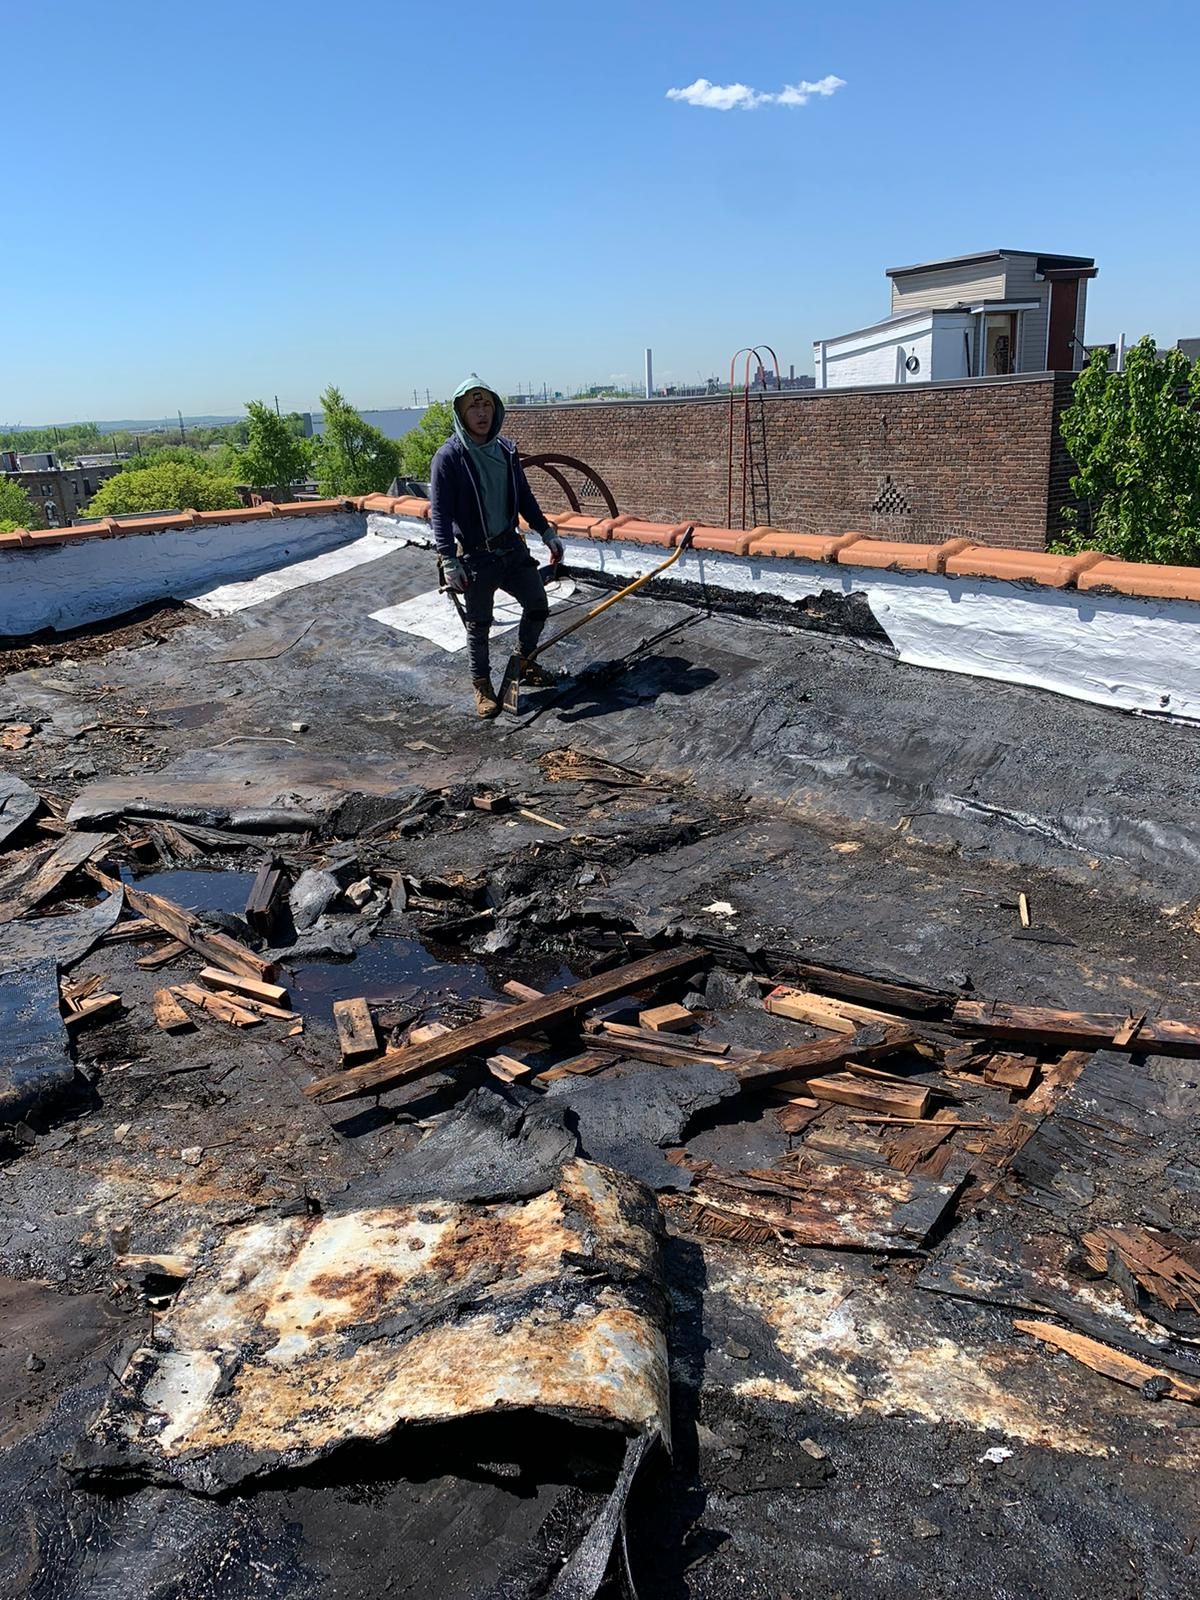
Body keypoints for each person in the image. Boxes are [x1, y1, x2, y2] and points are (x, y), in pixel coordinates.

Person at [430, 375, 563, 718]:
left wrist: (546, 532)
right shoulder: (449, 458)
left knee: (537, 605)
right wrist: (448, 559)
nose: (481, 411)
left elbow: (525, 498)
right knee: (479, 625)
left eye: (486, 403)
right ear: (460, 412)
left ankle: (524, 664)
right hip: (476, 555)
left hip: (511, 548)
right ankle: (482, 685)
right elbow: (441, 515)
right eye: (473, 405)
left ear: (496, 409)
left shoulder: (506, 450)